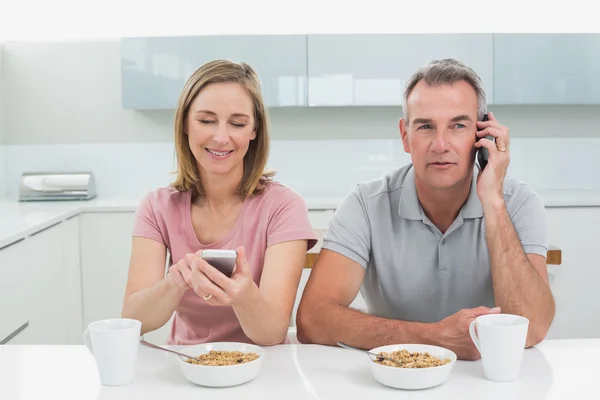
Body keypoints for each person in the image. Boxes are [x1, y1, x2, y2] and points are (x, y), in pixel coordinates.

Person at [296, 58, 555, 360]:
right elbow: (311, 320)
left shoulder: (519, 203)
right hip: (396, 378)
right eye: (426, 126)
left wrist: (494, 202)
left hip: (488, 381)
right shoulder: (366, 205)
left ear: (481, 134)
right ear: (405, 136)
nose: (441, 144)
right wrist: (434, 338)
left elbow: (533, 328)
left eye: (458, 125)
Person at [121, 59, 318, 346]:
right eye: (206, 120)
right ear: (186, 123)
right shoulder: (156, 207)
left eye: (237, 123)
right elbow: (133, 319)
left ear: (254, 131)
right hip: (185, 364)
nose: (221, 137)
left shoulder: (284, 206)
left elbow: (272, 332)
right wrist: (175, 281)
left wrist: (243, 295)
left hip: (264, 368)